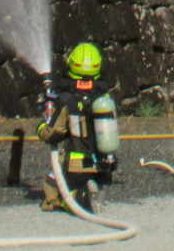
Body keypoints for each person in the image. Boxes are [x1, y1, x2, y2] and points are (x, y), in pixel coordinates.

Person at [37, 42, 120, 212]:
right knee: (87, 182)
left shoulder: (66, 100)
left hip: (76, 167)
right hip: (103, 166)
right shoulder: (105, 98)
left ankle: (81, 200)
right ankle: (92, 190)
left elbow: (53, 134)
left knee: (52, 190)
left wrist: (42, 126)